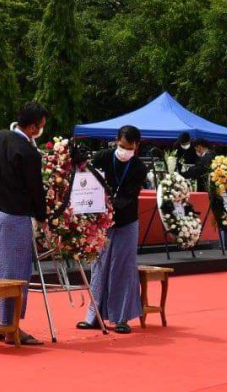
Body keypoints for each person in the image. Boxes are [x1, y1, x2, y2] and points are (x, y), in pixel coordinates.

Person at [0, 101, 48, 345]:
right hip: (15, 217)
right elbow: (35, 190)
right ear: (32, 127)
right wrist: (42, 218)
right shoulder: (29, 152)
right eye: (41, 127)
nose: (41, 131)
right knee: (16, 274)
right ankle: (11, 326)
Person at [77, 125, 148, 334]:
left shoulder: (138, 168)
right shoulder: (103, 157)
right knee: (99, 266)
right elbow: (87, 177)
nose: (124, 150)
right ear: (115, 140)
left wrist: (112, 204)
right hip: (102, 221)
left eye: (128, 147)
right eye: (121, 145)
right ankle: (94, 316)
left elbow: (130, 195)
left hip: (126, 220)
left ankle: (121, 318)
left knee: (123, 267)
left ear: (136, 146)